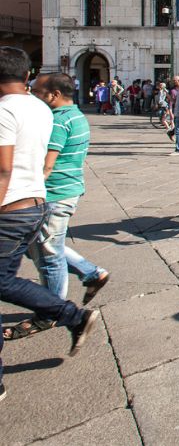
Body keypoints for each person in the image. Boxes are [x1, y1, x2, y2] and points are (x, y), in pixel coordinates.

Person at [0, 48, 98, 402]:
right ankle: (79, 295)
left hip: (17, 205)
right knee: (30, 261)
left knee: (39, 260)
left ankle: (66, 310)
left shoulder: (10, 111)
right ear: (26, 75)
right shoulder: (42, 110)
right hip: (37, 202)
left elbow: (6, 169)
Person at [25, 74, 109, 310]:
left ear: (55, 95)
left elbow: (47, 165)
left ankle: (54, 310)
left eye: (36, 92)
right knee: (37, 247)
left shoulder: (58, 122)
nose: (32, 95)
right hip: (69, 187)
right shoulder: (77, 116)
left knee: (48, 256)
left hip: (55, 192)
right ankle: (91, 273)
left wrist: (30, 190)